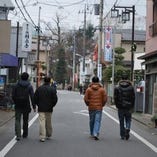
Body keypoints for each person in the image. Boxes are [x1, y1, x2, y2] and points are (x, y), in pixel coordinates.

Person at [12, 72, 36, 141]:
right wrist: (34, 106)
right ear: (27, 78)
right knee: (25, 120)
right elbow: (32, 97)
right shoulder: (29, 86)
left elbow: (13, 95)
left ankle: (18, 135)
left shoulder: (16, 85)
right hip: (26, 105)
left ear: (21, 77)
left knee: (17, 120)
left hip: (18, 105)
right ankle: (25, 134)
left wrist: (15, 102)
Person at [34, 76, 58, 142]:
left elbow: (35, 98)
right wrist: (52, 105)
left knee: (42, 122)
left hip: (41, 108)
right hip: (49, 108)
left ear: (44, 81)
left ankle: (42, 137)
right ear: (50, 81)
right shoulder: (52, 89)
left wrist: (37, 104)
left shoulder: (39, 89)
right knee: (48, 121)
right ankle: (49, 134)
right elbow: (55, 99)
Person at [84, 76, 107, 140]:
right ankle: (95, 133)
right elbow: (105, 99)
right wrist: (102, 105)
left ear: (92, 81)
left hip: (91, 107)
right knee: (97, 121)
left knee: (91, 121)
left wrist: (88, 104)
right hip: (99, 108)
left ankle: (92, 133)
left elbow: (86, 99)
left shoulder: (88, 89)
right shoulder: (102, 89)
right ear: (98, 81)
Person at [114, 73, 135, 140]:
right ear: (127, 79)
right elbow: (133, 97)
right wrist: (132, 106)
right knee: (128, 119)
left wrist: (117, 105)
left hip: (120, 107)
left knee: (121, 121)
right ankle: (127, 128)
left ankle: (122, 135)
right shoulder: (131, 87)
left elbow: (115, 97)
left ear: (121, 79)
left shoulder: (117, 87)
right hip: (128, 106)